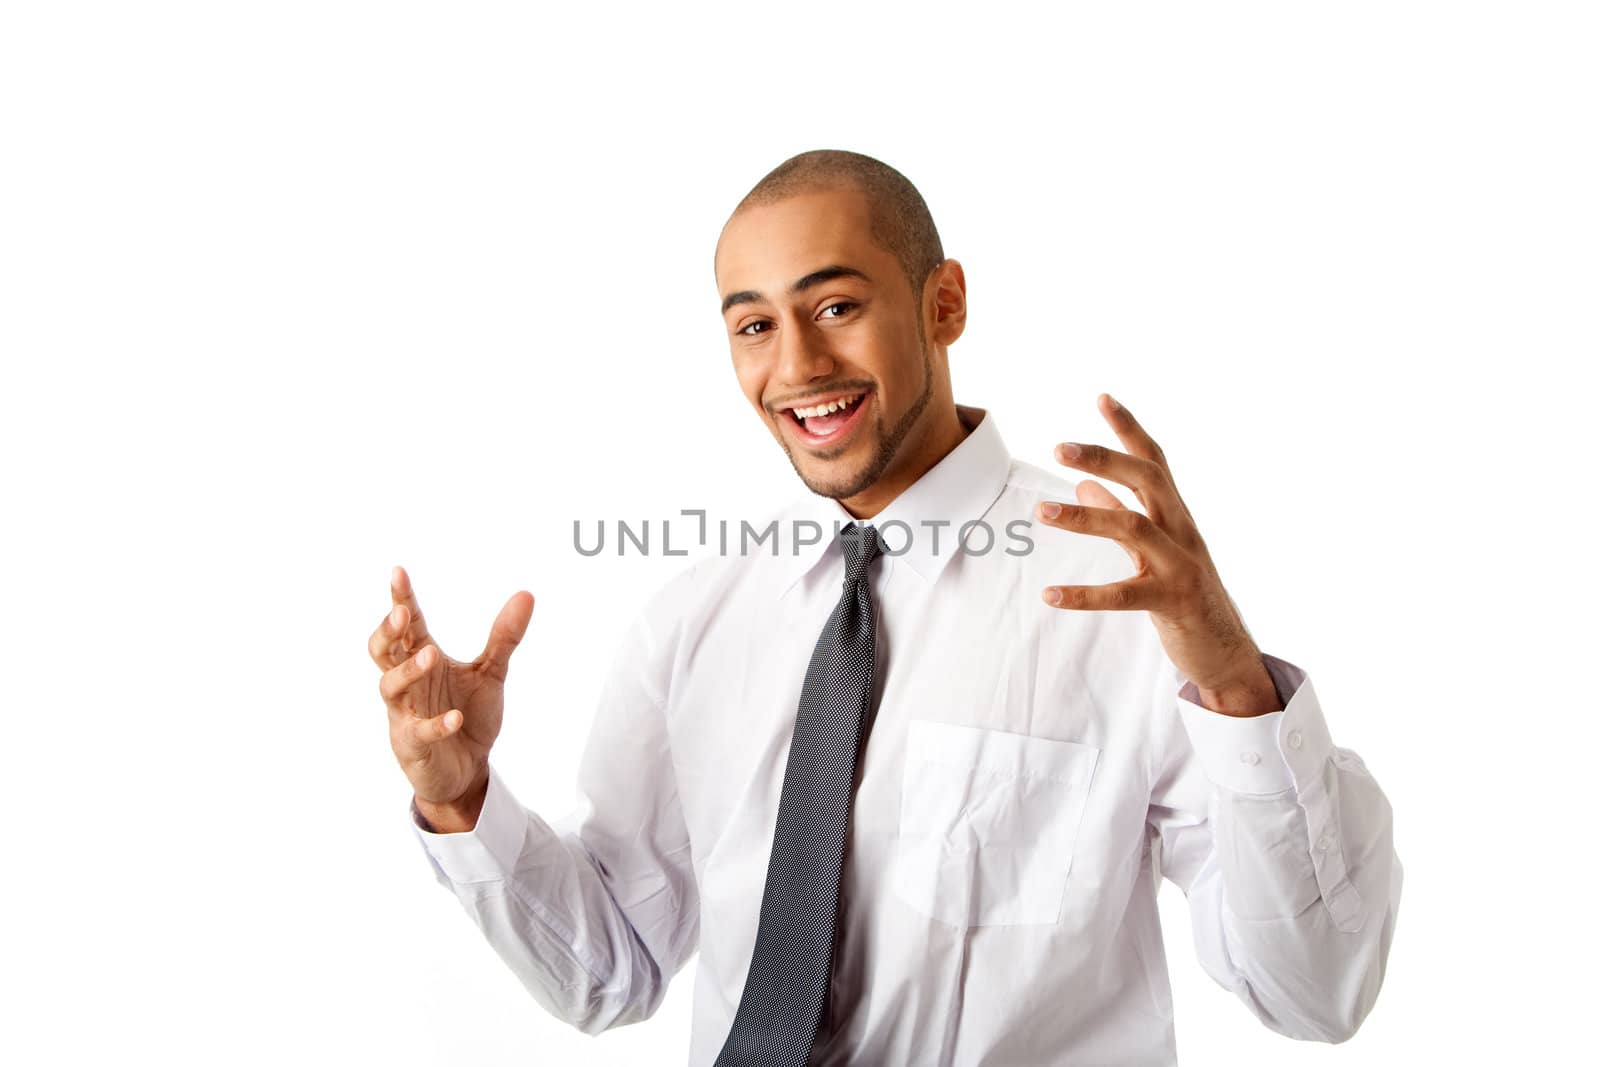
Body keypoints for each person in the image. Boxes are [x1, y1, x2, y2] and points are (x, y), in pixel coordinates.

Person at [368, 149, 1402, 1066]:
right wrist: (464, 800)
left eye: (835, 306)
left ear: (942, 303)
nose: (797, 367)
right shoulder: (695, 618)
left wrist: (1231, 681)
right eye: (754, 325)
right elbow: (612, 972)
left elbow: (1317, 993)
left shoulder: (1124, 598)